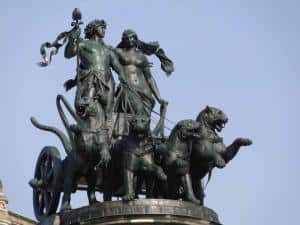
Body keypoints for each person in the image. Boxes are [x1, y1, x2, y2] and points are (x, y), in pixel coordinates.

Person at [64, 19, 126, 120]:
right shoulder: (84, 44)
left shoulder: (108, 49)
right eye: (102, 28)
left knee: (109, 112)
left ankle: (108, 126)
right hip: (91, 79)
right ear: (94, 28)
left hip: (108, 82)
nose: (104, 30)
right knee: (86, 106)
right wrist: (72, 39)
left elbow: (117, 66)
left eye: (104, 28)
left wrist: (122, 75)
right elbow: (68, 54)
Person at [114, 29, 173, 118]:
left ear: (136, 39)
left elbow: (149, 78)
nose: (130, 40)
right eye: (127, 38)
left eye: (132, 37)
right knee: (137, 114)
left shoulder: (142, 56)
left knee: (144, 121)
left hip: (144, 91)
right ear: (123, 40)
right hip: (128, 88)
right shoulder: (118, 52)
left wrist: (159, 98)